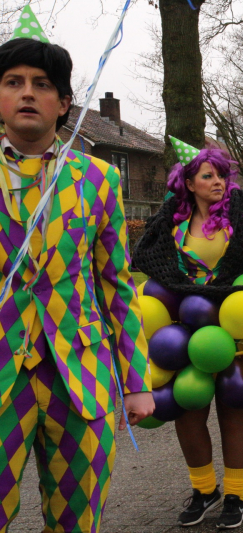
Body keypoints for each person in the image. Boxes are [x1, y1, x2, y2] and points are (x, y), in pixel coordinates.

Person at [0, 14, 154, 532]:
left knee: (78, 518)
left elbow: (116, 285)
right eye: (13, 82)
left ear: (64, 103)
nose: (27, 93)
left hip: (79, 376)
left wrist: (135, 381)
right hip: (2, 369)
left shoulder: (98, 179)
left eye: (42, 85)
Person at [133, 139, 243, 529]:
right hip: (186, 326)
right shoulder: (173, 222)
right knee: (188, 411)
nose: (218, 181)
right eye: (208, 175)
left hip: (234, 325)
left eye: (221, 174)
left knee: (233, 411)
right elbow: (147, 254)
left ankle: (235, 495)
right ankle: (204, 490)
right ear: (190, 183)